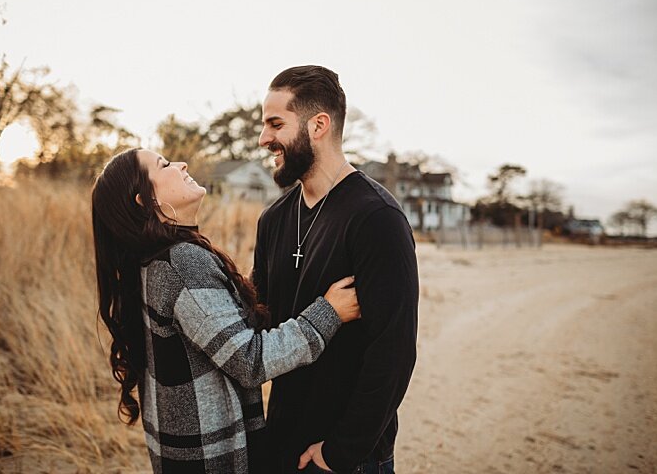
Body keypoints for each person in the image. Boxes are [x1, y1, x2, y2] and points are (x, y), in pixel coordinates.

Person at [91, 148, 361, 474]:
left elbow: (216, 327)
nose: (182, 163)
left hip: (186, 455)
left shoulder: (154, 261)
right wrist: (328, 313)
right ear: (144, 201)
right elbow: (248, 360)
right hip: (210, 458)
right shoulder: (181, 263)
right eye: (164, 165)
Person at [252, 65, 418, 473]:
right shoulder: (272, 220)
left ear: (318, 125)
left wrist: (341, 451)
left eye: (276, 124)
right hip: (282, 445)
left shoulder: (376, 218)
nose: (264, 139)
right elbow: (260, 326)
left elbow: (393, 353)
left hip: (346, 458)